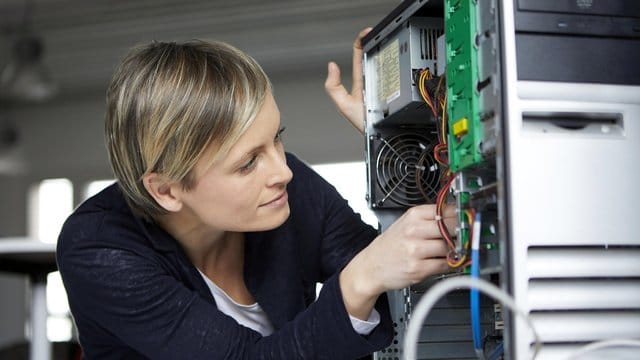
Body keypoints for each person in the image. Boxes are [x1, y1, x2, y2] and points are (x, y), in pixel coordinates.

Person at [56, 28, 455, 359]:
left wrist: (389, 136)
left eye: (277, 139)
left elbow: (400, 276)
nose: (282, 171)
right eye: (247, 163)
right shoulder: (98, 249)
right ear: (167, 190)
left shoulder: (288, 184)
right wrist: (360, 279)